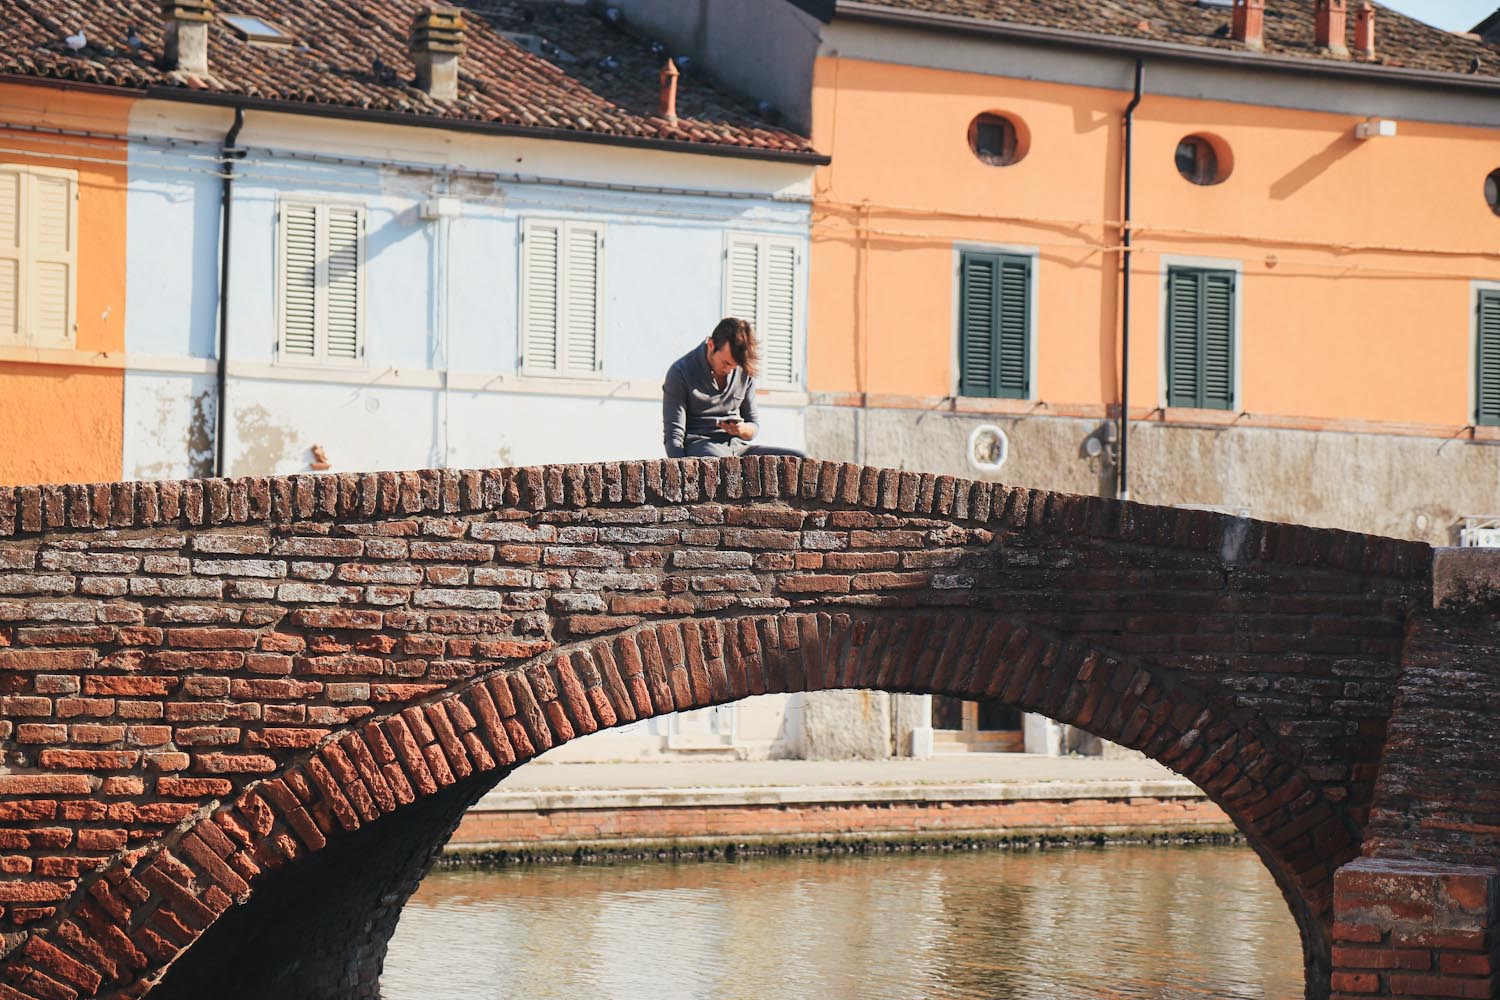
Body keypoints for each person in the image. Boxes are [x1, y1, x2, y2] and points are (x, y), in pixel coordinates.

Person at [662, 317, 806, 459]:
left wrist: (742, 430)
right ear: (711, 345)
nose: (730, 370)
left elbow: (753, 425)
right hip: (701, 448)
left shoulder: (743, 370)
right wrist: (679, 474)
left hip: (738, 447)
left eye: (734, 365)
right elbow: (674, 436)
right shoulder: (680, 372)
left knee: (800, 459)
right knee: (723, 466)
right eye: (725, 363)